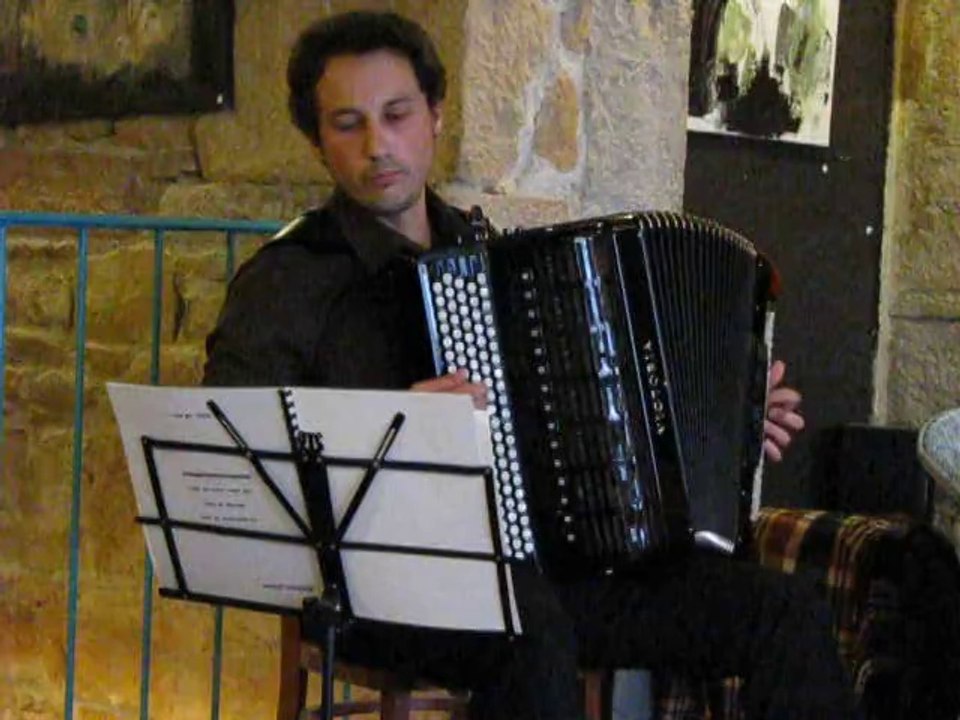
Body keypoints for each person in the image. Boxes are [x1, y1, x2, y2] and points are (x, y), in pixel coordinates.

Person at [203, 11, 854, 720]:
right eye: (347, 124)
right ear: (317, 142)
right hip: (381, 589)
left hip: (545, 575)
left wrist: (730, 425)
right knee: (532, 632)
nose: (377, 145)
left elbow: (578, 430)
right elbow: (232, 444)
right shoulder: (288, 279)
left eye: (396, 114)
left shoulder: (493, 258)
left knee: (783, 611)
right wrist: (396, 427)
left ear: (435, 115)